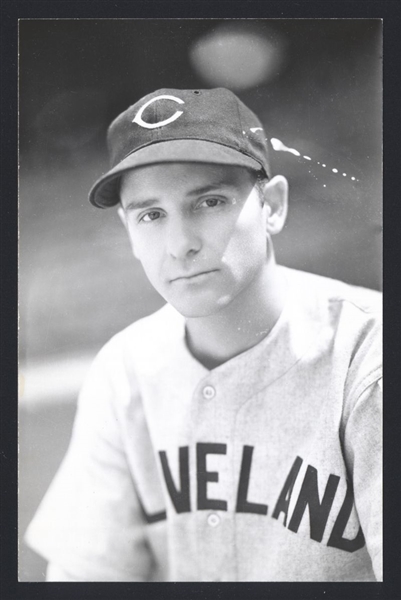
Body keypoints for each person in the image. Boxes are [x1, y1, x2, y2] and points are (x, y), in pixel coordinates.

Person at [25, 88, 382, 582]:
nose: (180, 245)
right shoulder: (125, 370)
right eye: (152, 215)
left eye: (209, 202)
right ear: (128, 229)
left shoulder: (368, 359)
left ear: (272, 205)